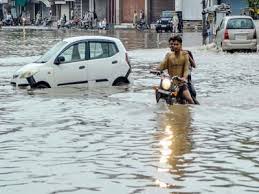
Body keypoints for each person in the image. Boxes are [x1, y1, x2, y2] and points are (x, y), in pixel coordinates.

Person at [157, 35, 194, 104]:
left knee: (189, 99)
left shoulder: (185, 54)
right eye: (173, 44)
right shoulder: (169, 55)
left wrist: (184, 78)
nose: (175, 46)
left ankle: (194, 110)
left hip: (181, 83)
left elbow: (186, 69)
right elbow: (162, 65)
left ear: (181, 45)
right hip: (170, 83)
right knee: (159, 92)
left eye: (177, 44)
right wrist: (155, 69)